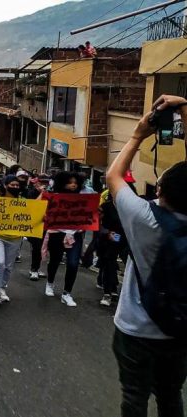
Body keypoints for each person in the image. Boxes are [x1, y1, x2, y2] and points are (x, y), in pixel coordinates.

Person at [108, 94, 187, 417]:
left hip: (135, 329)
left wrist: (138, 135)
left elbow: (113, 177)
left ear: (159, 190)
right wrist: (185, 109)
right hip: (180, 328)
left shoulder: (144, 219)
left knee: (134, 397)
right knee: (171, 395)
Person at [44, 171, 85, 307]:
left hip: (75, 234)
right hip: (57, 233)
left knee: (73, 264)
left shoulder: (83, 200)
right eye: (69, 182)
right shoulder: (54, 198)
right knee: (55, 260)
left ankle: (67, 293)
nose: (73, 185)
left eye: (75, 183)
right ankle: (50, 283)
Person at [0, 175, 23, 307]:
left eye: (17, 185)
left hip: (15, 238)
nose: (15, 187)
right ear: (5, 185)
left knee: (8, 266)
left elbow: (32, 214)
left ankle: (2, 288)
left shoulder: (23, 201)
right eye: (12, 185)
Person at [97, 190, 127, 307]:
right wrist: (107, 233)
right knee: (109, 264)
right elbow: (96, 222)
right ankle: (107, 293)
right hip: (110, 239)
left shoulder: (129, 208)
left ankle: (114, 288)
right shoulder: (105, 207)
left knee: (127, 265)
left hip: (127, 240)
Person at [26, 174, 50, 280]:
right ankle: (34, 269)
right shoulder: (31, 192)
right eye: (42, 182)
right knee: (36, 247)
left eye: (46, 183)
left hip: (46, 224)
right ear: (37, 183)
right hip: (35, 224)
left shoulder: (51, 193)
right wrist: (42, 193)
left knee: (44, 248)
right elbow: (33, 206)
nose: (44, 185)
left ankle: (40, 268)